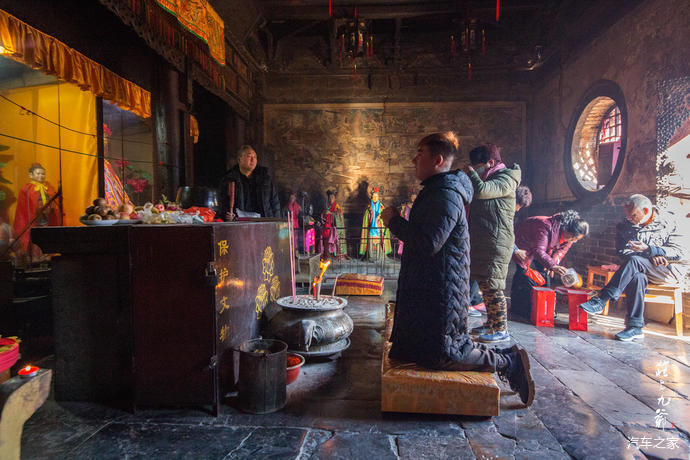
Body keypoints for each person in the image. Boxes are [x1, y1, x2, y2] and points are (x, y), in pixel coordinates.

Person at [380, 132, 534, 406]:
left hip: (443, 290)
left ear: (438, 160)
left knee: (447, 352)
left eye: (420, 153)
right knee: (413, 348)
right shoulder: (436, 191)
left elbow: (428, 241)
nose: (414, 159)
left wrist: (393, 221)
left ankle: (506, 360)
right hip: (429, 285)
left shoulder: (447, 195)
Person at [579, 194, 688, 341]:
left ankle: (602, 299)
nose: (629, 219)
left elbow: (680, 252)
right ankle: (635, 327)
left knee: (635, 261)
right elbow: (622, 251)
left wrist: (650, 249)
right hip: (643, 266)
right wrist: (649, 254)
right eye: (628, 216)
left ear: (646, 211)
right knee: (637, 276)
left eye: (633, 215)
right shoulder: (627, 225)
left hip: (669, 270)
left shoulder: (670, 221)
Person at [464, 144, 521, 343]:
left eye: (477, 166)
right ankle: (491, 323)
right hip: (487, 240)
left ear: (490, 162)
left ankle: (501, 328)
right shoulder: (491, 177)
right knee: (485, 286)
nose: (476, 169)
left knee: (493, 286)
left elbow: (481, 191)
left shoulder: (506, 178)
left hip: (498, 241)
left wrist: (470, 173)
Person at [510, 210, 589, 320]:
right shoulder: (544, 226)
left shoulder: (569, 236)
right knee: (524, 273)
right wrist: (552, 265)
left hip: (542, 248)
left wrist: (554, 262)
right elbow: (538, 250)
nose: (574, 241)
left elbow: (561, 250)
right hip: (524, 244)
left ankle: (543, 306)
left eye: (576, 239)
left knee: (545, 274)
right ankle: (519, 308)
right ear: (566, 230)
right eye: (573, 238)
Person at [220, 145, 280, 220]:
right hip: (239, 223)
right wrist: (227, 215)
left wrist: (277, 222)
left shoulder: (265, 179)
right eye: (249, 156)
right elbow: (224, 204)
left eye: (255, 157)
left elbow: (275, 203)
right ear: (239, 159)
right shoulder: (229, 179)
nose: (253, 160)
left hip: (263, 221)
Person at [13, 163, 59, 255]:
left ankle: (46, 255)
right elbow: (23, 208)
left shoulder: (49, 188)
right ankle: (35, 256)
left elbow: (54, 202)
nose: (41, 176)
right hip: (34, 218)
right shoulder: (26, 189)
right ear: (31, 175)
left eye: (43, 174)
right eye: (38, 173)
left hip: (46, 217)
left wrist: (51, 209)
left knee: (46, 235)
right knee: (35, 237)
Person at [359, 187, 392, 261]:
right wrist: (370, 214)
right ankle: (370, 257)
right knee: (370, 243)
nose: (375, 198)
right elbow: (366, 218)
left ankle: (379, 257)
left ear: (378, 197)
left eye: (376, 196)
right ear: (371, 197)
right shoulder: (369, 207)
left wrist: (379, 217)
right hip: (371, 228)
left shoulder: (381, 207)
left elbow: (385, 217)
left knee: (379, 243)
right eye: (373, 196)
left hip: (378, 228)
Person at [323, 190, 347, 257]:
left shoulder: (337, 206)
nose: (330, 199)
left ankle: (337, 254)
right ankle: (328, 254)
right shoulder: (328, 206)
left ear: (334, 198)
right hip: (329, 226)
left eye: (332, 197)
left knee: (335, 240)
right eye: (329, 198)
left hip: (335, 227)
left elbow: (339, 214)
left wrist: (330, 213)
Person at [396, 191, 417, 256]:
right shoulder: (407, 206)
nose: (413, 199)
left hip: (415, 224)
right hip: (407, 224)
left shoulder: (419, 206)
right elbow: (403, 214)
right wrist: (403, 209)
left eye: (415, 197)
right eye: (412, 197)